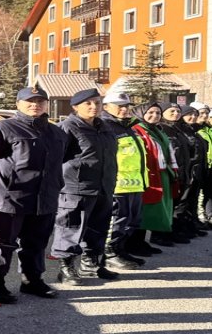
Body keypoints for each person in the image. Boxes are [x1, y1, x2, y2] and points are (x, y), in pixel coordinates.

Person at [0, 86, 67, 301]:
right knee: (2, 243)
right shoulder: (3, 127)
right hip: (10, 197)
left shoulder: (56, 132)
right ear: (18, 104)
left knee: (37, 242)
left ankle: (32, 280)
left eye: (40, 101)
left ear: (47, 104)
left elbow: (62, 159)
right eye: (29, 101)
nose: (35, 105)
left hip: (44, 196)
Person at [53, 89, 123, 281]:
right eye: (88, 103)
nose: (94, 107)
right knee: (71, 228)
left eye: (97, 103)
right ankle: (66, 267)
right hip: (76, 187)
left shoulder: (105, 127)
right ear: (75, 107)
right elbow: (56, 159)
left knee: (98, 228)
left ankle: (91, 264)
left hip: (103, 186)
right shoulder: (67, 127)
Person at [99, 92, 148, 268]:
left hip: (135, 183)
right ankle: (108, 254)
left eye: (127, 106)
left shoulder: (128, 126)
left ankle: (120, 249)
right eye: (119, 106)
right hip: (118, 185)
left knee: (131, 221)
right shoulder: (105, 127)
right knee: (116, 221)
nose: (124, 109)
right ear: (106, 107)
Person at [133, 102, 179, 246]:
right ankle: (137, 242)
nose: (155, 115)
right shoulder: (137, 130)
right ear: (141, 113)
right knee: (147, 208)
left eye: (158, 113)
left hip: (163, 172)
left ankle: (154, 236)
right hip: (148, 174)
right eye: (150, 112)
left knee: (159, 207)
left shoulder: (157, 130)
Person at [157, 104, 196, 243]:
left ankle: (174, 230)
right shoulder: (161, 128)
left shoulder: (177, 129)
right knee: (167, 205)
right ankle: (160, 234)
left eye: (178, 111)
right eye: (172, 111)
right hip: (169, 172)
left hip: (182, 171)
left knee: (179, 204)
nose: (176, 113)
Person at [168, 106, 208, 238]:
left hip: (196, 170)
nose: (193, 117)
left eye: (195, 115)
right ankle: (178, 228)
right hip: (185, 170)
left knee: (192, 200)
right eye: (189, 114)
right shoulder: (178, 130)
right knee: (181, 201)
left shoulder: (193, 130)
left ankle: (190, 224)